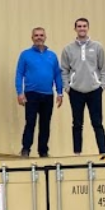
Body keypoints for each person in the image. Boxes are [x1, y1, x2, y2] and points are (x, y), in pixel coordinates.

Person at [61, 17, 105, 155]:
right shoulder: (68, 49)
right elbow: (64, 70)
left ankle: (103, 152)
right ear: (75, 29)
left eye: (84, 26)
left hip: (94, 90)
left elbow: (103, 68)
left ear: (88, 28)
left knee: (97, 123)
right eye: (79, 26)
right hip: (75, 91)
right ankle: (77, 153)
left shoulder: (97, 47)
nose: (82, 28)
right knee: (77, 123)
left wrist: (102, 85)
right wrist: (67, 87)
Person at [14, 26, 63, 158]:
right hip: (31, 94)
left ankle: (43, 151)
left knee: (45, 124)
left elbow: (57, 75)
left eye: (41, 35)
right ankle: (25, 149)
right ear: (32, 38)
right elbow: (19, 74)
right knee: (30, 122)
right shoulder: (25, 55)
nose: (39, 38)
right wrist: (20, 92)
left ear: (45, 37)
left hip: (47, 94)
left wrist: (59, 92)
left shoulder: (52, 56)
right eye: (36, 35)